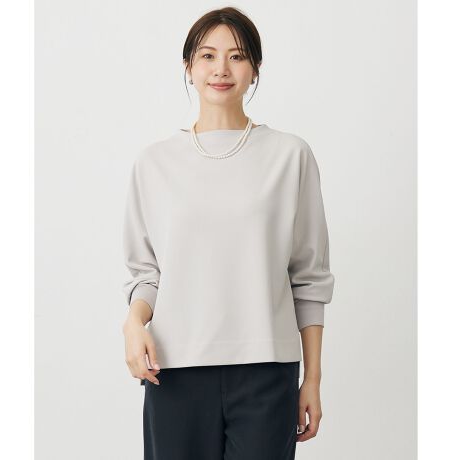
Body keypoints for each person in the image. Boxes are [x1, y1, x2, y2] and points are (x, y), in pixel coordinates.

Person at [121, 6, 335, 460]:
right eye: (208, 56)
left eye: (237, 56)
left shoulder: (290, 156)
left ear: (255, 69)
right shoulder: (153, 164)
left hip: (266, 372)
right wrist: (134, 323)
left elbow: (309, 278)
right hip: (173, 369)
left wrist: (312, 379)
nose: (221, 69)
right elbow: (147, 273)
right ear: (188, 67)